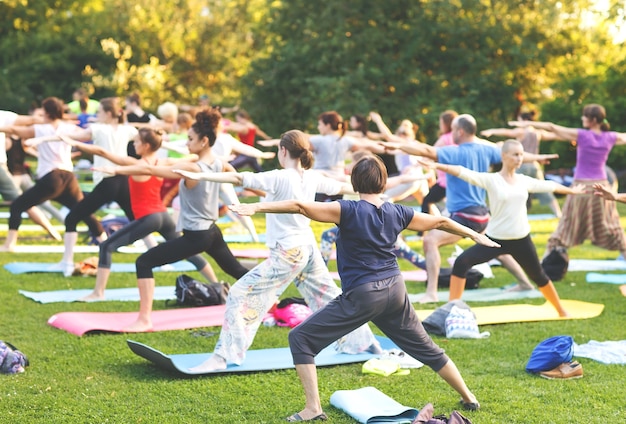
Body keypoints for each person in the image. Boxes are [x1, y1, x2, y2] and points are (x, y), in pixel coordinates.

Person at [229, 155, 497, 421]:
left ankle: (312, 408)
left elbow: (300, 206)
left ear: (355, 183)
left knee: (301, 339)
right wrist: (474, 234)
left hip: (364, 294)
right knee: (427, 348)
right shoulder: (398, 211)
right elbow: (440, 222)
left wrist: (256, 208)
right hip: (395, 290)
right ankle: (469, 396)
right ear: (383, 183)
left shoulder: (346, 210)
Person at [175, 129, 381, 373]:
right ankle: (367, 343)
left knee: (240, 293)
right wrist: (380, 193)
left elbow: (239, 179)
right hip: (307, 248)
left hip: (289, 252)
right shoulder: (311, 177)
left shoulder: (279, 176)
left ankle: (223, 356)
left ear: (283, 151)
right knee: (329, 298)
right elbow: (344, 186)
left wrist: (197, 174)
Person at [93, 108, 250, 332]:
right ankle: (270, 298)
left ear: (204, 141)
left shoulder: (191, 167)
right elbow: (238, 177)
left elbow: (150, 168)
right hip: (212, 231)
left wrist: (116, 169)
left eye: (190, 139)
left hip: (197, 235)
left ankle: (145, 320)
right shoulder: (218, 163)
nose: (186, 143)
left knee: (144, 262)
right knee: (235, 269)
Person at [382, 114, 556, 302]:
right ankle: (525, 282)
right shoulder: (486, 149)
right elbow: (515, 154)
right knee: (495, 246)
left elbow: (424, 149)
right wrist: (539, 157)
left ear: (460, 131)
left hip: (466, 216)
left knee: (430, 241)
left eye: (454, 130)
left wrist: (399, 146)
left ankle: (431, 292)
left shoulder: (454, 152)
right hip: (482, 214)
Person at [422, 140, 585, 316]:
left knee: (538, 275)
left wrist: (573, 191)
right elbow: (464, 173)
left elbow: (549, 185)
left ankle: (561, 310)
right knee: (462, 263)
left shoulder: (523, 181)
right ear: (503, 156)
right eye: (515, 154)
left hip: (521, 239)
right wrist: (437, 165)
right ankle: (451, 310)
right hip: (495, 239)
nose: (519, 158)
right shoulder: (492, 180)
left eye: (521, 154)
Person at [61, 128, 217, 300]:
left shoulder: (136, 164)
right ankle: (217, 284)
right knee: (189, 252)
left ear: (146, 145)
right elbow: (192, 158)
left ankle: (98, 293)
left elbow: (101, 151)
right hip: (163, 216)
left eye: (136, 141)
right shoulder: (162, 162)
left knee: (106, 246)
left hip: (149, 218)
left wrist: (74, 143)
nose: (133, 144)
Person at [35, 97, 139, 276]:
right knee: (138, 220)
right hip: (122, 179)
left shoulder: (98, 129)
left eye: (98, 111)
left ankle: (66, 263)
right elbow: (150, 140)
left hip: (107, 181)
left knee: (72, 218)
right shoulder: (127, 129)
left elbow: (73, 138)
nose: (95, 114)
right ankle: (163, 262)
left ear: (107, 113)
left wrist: (42, 139)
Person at [509, 104, 626, 259]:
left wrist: (527, 124)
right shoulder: (611, 137)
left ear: (592, 120)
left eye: (585, 116)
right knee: (613, 227)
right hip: (602, 188)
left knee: (565, 226)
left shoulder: (583, 135)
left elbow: (552, 127)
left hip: (581, 187)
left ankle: (543, 268)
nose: (582, 118)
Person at [0, 97, 101, 252]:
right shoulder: (68, 127)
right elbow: (88, 135)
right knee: (83, 210)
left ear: (46, 112)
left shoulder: (41, 128)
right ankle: (104, 240)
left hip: (51, 177)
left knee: (17, 206)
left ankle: (9, 245)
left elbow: (15, 130)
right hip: (68, 176)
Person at [481, 109, 562, 217]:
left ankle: (499, 212)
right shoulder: (538, 133)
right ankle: (558, 213)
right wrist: (570, 137)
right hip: (534, 166)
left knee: (511, 189)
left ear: (523, 120)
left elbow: (506, 132)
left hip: (521, 166)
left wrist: (491, 131)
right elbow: (555, 135)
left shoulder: (521, 131)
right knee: (545, 190)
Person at [369, 112, 432, 203]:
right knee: (427, 204)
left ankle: (389, 217)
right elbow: (426, 159)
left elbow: (388, 136)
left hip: (410, 180)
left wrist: (378, 120)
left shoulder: (404, 143)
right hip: (419, 180)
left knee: (385, 197)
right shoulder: (415, 144)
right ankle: (442, 217)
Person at [421, 110, 458, 216]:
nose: (440, 126)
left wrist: (422, 160)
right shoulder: (459, 137)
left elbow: (431, 152)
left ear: (447, 124)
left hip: (446, 181)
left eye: (441, 123)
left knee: (427, 201)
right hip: (456, 179)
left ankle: (422, 231)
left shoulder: (445, 138)